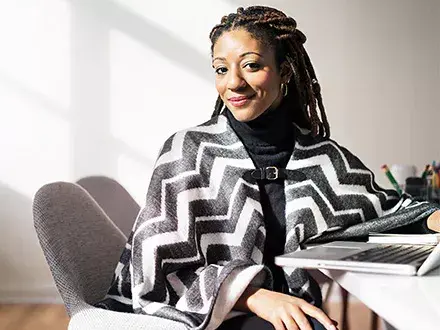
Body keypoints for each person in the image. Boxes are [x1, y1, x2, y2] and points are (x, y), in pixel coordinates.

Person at [96, 6, 440, 330]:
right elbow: (154, 273)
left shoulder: (320, 156)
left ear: (284, 70)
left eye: (251, 65)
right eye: (221, 68)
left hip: (287, 306)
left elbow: (387, 210)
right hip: (201, 314)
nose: (233, 83)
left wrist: (430, 217)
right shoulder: (188, 152)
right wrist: (254, 297)